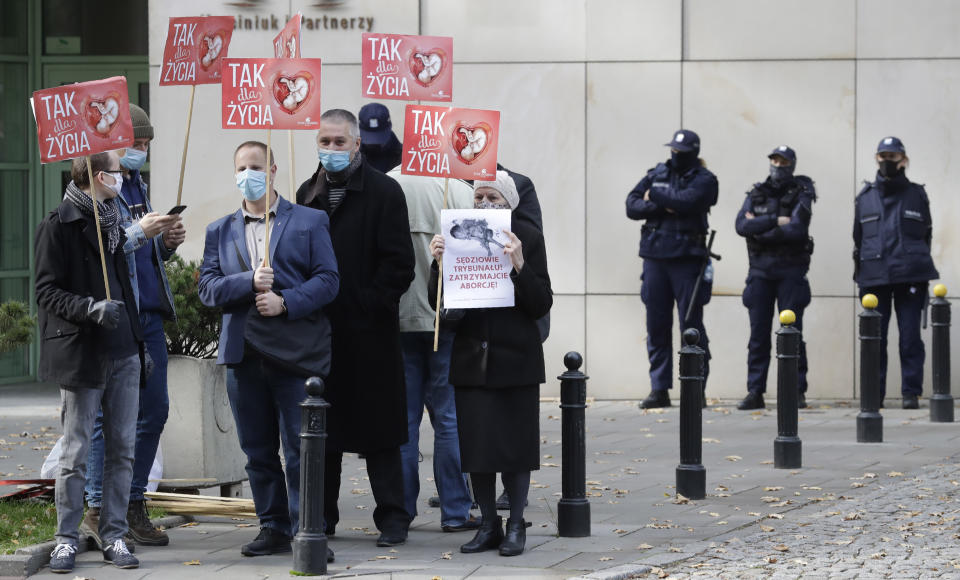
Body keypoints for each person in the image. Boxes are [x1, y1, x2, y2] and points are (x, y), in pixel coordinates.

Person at [198, 141, 339, 559]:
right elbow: (207, 289)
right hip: (243, 356)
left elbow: (329, 280)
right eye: (242, 167)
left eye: (256, 166)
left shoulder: (310, 221)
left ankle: (306, 530)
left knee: (300, 450)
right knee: (257, 451)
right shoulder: (219, 231)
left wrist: (286, 301)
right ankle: (272, 526)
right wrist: (247, 283)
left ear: (273, 170)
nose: (249, 174)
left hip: (293, 354)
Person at [296, 109, 415, 547]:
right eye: (324, 142)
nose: (330, 150)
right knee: (322, 431)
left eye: (339, 142)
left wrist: (368, 302)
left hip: (369, 332)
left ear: (357, 144)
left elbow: (400, 264)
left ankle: (394, 518)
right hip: (320, 334)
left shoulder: (385, 192)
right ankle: (322, 518)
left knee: (380, 433)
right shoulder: (306, 193)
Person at [428, 171, 553, 557]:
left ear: (509, 203)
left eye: (493, 198)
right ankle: (488, 524)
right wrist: (439, 264)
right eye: (479, 197)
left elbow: (541, 302)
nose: (485, 205)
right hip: (471, 359)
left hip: (515, 358)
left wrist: (518, 264)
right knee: (477, 450)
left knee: (514, 449)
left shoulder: (527, 237)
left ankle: (516, 524)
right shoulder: (459, 236)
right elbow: (441, 308)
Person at [83, 104, 184, 548]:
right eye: (134, 144)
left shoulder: (138, 185)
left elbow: (141, 257)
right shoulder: (96, 190)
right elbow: (101, 250)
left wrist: (164, 245)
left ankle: (132, 499)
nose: (139, 152)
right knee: (110, 416)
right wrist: (141, 232)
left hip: (148, 316)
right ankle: (96, 504)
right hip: (117, 315)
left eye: (145, 146)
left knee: (154, 410)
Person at [36, 151, 143, 573]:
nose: (124, 176)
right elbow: (46, 292)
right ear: (100, 176)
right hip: (83, 352)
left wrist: (137, 340)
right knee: (75, 451)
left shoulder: (114, 222)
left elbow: (127, 284)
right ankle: (66, 538)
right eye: (118, 171)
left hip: (124, 352)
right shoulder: (57, 225)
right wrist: (89, 308)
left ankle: (113, 535)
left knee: (123, 451)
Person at [386, 168, 478, 533]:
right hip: (447, 318)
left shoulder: (388, 185)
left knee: (405, 424)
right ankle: (456, 511)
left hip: (400, 317)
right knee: (449, 419)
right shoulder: (459, 189)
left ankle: (402, 511)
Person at [625, 129, 718, 409]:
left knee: (691, 326)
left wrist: (657, 198)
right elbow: (631, 205)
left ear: (694, 152)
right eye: (673, 150)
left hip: (688, 261)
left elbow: (689, 202)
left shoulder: (705, 179)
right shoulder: (657, 173)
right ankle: (659, 388)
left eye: (682, 152)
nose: (675, 156)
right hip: (655, 259)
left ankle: (695, 388)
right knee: (656, 326)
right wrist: (665, 203)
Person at [853, 136, 939, 409]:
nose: (887, 161)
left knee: (910, 337)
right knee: (874, 340)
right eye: (883, 156)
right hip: (874, 276)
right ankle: (873, 396)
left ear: (904, 160)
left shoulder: (917, 194)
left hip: (910, 274)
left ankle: (910, 393)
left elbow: (926, 234)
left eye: (893, 156)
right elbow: (858, 237)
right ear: (876, 158)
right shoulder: (865, 198)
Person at [734, 146, 816, 411]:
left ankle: (796, 391)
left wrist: (761, 229)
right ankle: (755, 391)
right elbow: (741, 226)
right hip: (759, 272)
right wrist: (774, 220)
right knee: (758, 335)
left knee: (792, 333)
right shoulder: (757, 192)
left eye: (783, 162)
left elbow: (797, 228)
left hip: (790, 271)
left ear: (792, 164)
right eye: (774, 160)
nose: (778, 166)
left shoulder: (802, 193)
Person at [358, 102, 402, 173]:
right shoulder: (351, 155)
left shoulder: (404, 158)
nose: (374, 143)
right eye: (369, 138)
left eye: (379, 138)